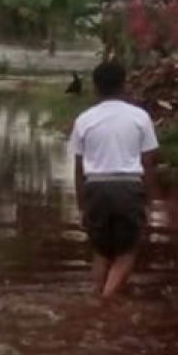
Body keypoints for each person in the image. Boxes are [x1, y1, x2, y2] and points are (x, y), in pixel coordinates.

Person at [70, 61, 159, 298]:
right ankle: (106, 300)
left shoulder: (84, 119)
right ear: (124, 84)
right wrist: (149, 204)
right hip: (128, 187)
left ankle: (96, 293)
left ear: (95, 87)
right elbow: (148, 164)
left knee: (101, 251)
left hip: (95, 187)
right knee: (126, 252)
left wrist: (81, 206)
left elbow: (78, 169)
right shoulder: (140, 117)